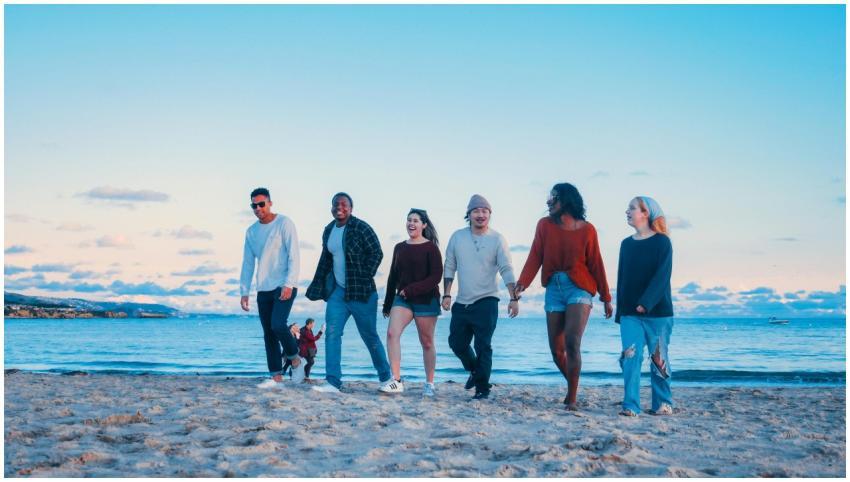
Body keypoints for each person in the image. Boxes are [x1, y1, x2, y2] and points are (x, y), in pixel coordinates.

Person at [515, 183, 613, 410]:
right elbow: (535, 256)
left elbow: (596, 263)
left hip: (579, 287)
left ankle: (572, 398)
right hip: (553, 288)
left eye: (553, 198)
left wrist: (606, 297)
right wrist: (522, 284)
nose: (549, 202)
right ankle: (574, 384)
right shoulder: (544, 226)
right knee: (556, 350)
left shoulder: (588, 230)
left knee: (572, 342)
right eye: (549, 199)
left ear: (566, 200)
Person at [305, 192, 393, 394]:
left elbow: (377, 253)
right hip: (338, 293)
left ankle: (387, 379)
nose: (340, 207)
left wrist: (363, 276)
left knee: (369, 336)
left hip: (362, 293)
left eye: (344, 205)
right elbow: (326, 259)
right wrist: (321, 286)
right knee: (332, 334)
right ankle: (333, 382)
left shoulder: (361, 227)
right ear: (331, 208)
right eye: (336, 204)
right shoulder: (328, 230)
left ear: (351, 208)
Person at [443, 195, 519, 400]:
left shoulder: (497, 239)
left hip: (487, 300)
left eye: (484, 211)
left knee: (483, 345)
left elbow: (506, 269)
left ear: (490, 214)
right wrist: (447, 294)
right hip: (462, 301)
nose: (480, 214)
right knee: (456, 343)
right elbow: (450, 265)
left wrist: (514, 298)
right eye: (476, 211)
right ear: (468, 214)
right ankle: (475, 371)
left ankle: (482, 388)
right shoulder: (457, 237)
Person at [239, 187, 305, 388]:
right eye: (254, 205)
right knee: (268, 333)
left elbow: (294, 255)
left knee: (278, 324)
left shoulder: (284, 223)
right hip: (263, 288)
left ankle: (295, 359)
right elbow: (248, 263)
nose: (258, 208)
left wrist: (289, 282)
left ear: (270, 203)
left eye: (261, 204)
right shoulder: (251, 232)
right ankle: (276, 377)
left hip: (285, 285)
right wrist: (244, 291)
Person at [616, 196, 674, 417]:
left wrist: (646, 303)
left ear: (645, 213)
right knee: (631, 356)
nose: (627, 211)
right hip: (630, 314)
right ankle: (631, 405)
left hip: (658, 313)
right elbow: (622, 279)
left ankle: (663, 403)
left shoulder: (662, 242)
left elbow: (662, 277)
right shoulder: (626, 244)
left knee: (659, 359)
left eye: (632, 208)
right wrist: (621, 311)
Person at [380, 209, 443, 397]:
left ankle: (429, 383)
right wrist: (388, 303)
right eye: (409, 220)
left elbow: (435, 277)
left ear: (424, 225)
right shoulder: (399, 247)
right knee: (392, 334)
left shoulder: (431, 248)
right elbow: (393, 275)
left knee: (427, 342)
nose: (411, 223)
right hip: (403, 300)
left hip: (426, 300)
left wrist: (412, 289)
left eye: (415, 220)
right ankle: (396, 381)